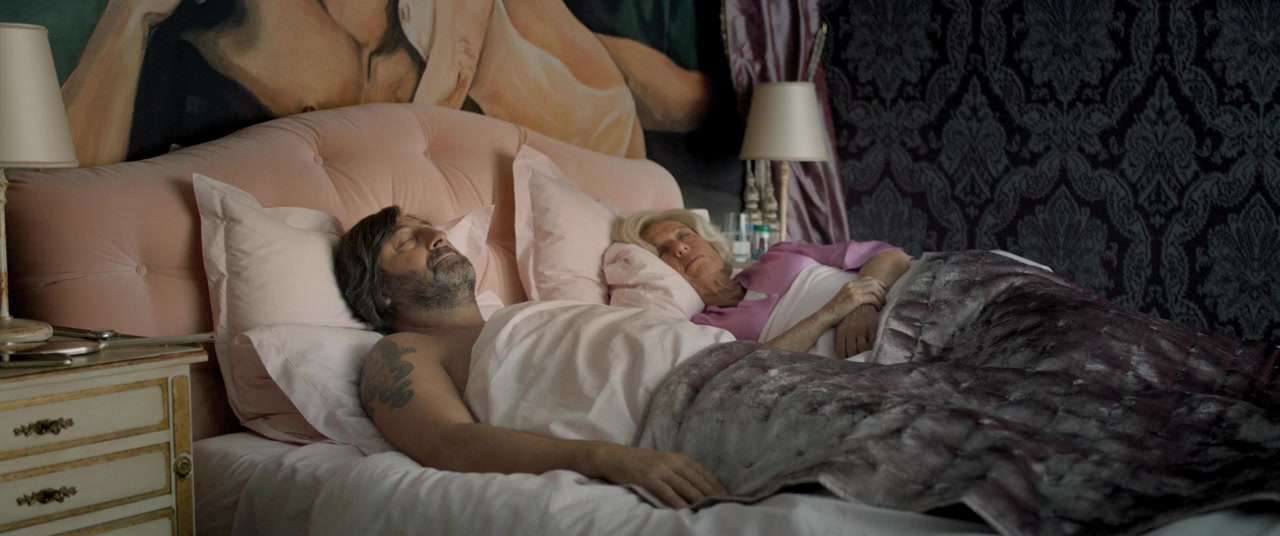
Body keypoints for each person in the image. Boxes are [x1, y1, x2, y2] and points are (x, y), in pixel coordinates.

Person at [333, 205, 728, 509]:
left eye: (428, 227)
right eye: (406, 242)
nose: (436, 236)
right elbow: (447, 442)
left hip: (724, 361)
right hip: (684, 414)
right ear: (380, 291)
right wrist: (608, 459)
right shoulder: (404, 350)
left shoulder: (519, 315)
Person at [59, 0, 711, 166]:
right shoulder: (195, 42)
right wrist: (129, 19)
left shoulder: (464, 18)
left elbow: (626, 107)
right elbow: (76, 196)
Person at [612, 209, 912, 358]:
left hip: (906, 295)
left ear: (708, 240)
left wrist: (862, 307)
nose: (680, 248)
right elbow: (752, 369)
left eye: (683, 235)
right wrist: (833, 311)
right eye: (663, 251)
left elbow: (888, 255)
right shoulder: (705, 326)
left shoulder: (778, 254)